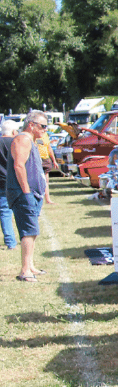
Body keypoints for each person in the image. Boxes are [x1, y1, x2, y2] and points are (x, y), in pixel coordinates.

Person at [7, 112, 49, 281]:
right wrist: (26, 192)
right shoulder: (23, 139)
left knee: (33, 231)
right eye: (43, 126)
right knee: (28, 230)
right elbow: (19, 166)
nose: (45, 129)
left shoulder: (30, 140)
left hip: (33, 193)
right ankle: (25, 271)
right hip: (24, 193)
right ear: (31, 124)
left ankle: (30, 265)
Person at [0, 119, 22, 250]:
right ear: (14, 131)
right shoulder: (15, 142)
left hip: (0, 182)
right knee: (19, 210)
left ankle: (10, 241)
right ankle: (25, 237)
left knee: (4, 212)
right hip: (13, 180)